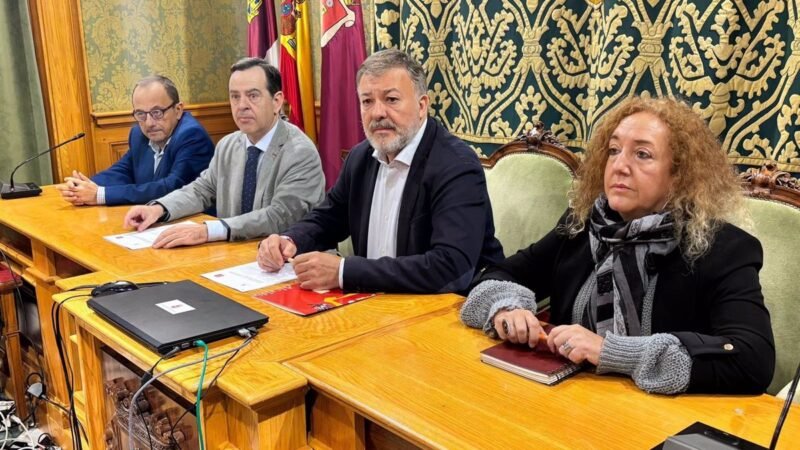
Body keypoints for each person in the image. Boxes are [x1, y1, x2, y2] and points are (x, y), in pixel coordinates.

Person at [461, 96, 775, 395]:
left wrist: (611, 351)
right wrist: (507, 308)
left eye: (642, 154)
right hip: (564, 402)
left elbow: (753, 359)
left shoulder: (723, 248)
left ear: (679, 175)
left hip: (657, 420)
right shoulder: (583, 224)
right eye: (613, 151)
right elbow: (496, 274)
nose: (620, 166)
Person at [257, 49, 504, 293]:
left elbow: (450, 268)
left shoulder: (455, 165)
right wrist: (289, 241)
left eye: (391, 99)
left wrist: (344, 272)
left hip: (447, 313)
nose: (377, 113)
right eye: (367, 101)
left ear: (421, 106)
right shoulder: (360, 157)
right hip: (375, 305)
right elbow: (329, 217)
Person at [122, 58, 325, 248]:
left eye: (253, 96)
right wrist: (158, 209)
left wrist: (210, 230)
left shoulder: (300, 151)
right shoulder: (228, 145)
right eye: (235, 96)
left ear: (277, 101)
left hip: (290, 262)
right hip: (234, 257)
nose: (242, 105)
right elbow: (201, 190)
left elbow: (280, 216)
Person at [57, 75, 214, 206]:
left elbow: (171, 188)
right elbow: (123, 171)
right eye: (141, 114)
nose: (149, 123)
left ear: (178, 110)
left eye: (157, 112)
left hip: (193, 224)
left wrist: (99, 195)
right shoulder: (139, 134)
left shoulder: (192, 136)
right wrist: (83, 186)